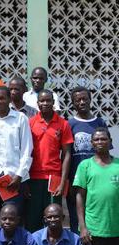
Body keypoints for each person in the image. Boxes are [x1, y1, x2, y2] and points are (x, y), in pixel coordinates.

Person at [74, 128, 119, 245]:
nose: (100, 142)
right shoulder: (85, 166)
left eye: (104, 139)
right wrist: (82, 226)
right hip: (92, 231)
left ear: (110, 141)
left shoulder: (118, 165)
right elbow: (79, 196)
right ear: (92, 144)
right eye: (97, 139)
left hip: (115, 230)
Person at [0, 86, 32, 230]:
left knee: (12, 219)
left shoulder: (21, 118)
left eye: (2, 98)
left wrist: (20, 175)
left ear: (9, 99)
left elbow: (27, 150)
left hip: (13, 179)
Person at [26, 89, 73, 232]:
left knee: (53, 220)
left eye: (48, 100)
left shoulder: (63, 124)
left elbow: (67, 154)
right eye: (42, 100)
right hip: (33, 178)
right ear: (37, 103)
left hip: (54, 179)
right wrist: (25, 182)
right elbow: (25, 153)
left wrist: (63, 181)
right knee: (32, 220)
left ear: (53, 103)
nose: (45, 103)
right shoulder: (30, 123)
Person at [67, 87, 108, 232]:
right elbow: (66, 154)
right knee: (75, 219)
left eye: (85, 98)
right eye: (78, 100)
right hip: (76, 181)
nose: (82, 102)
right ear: (73, 103)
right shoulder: (70, 124)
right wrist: (67, 181)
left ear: (91, 100)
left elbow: (106, 153)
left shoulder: (100, 123)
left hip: (97, 180)